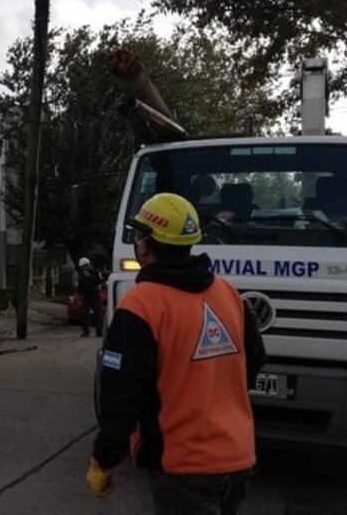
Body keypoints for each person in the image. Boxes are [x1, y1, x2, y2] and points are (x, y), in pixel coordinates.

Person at [86, 193, 266, 514]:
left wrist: (104, 459)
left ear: (145, 245)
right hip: (238, 458)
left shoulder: (141, 305)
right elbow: (254, 362)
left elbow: (121, 396)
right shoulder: (227, 293)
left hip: (184, 466)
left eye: (138, 235)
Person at [77, 256, 104, 338]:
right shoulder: (82, 274)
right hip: (86, 296)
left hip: (95, 295)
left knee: (98, 314)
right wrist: (80, 293)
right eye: (82, 267)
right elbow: (80, 285)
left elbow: (99, 281)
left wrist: (90, 276)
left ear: (88, 265)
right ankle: (86, 332)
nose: (84, 268)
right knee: (85, 314)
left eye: (85, 266)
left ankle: (99, 332)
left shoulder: (96, 272)